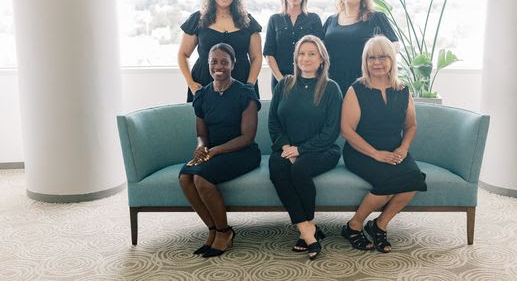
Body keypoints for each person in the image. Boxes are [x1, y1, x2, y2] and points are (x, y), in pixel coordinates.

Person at [340, 36, 427, 253]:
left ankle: (379, 225)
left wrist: (403, 149)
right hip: (361, 152)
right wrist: (376, 154)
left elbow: (411, 126)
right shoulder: (356, 89)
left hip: (395, 150)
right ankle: (353, 226)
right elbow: (346, 131)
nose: (377, 62)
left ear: (391, 60)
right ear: (365, 61)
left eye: (382, 57)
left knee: (414, 180)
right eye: (371, 58)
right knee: (389, 183)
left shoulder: (402, 89)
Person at [178, 43, 261, 258]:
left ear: (233, 64)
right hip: (212, 151)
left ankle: (225, 232)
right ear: (208, 64)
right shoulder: (203, 95)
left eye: (224, 62)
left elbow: (247, 137)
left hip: (243, 152)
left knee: (201, 179)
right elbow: (202, 134)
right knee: (185, 177)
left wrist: (214, 151)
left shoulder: (245, 94)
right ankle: (213, 229)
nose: (219, 66)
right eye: (214, 62)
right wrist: (201, 147)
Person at [268, 35, 342, 260]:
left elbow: (331, 132)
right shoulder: (284, 84)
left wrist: (300, 150)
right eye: (301, 53)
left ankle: (307, 227)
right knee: (278, 169)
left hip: (322, 149)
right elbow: (273, 123)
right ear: (295, 58)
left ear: (322, 59)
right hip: (285, 147)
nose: (305, 58)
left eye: (311, 54)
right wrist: (287, 147)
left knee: (298, 170)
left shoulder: (330, 88)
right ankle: (306, 228)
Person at [177, 0, 262, 102]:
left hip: (242, 85)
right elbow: (182, 54)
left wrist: (250, 84)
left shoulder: (248, 21)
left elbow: (257, 57)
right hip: (204, 84)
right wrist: (191, 84)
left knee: (244, 122)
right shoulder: (197, 19)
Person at [322, 0, 398, 96]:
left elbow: (394, 44)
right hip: (332, 82)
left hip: (365, 81)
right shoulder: (331, 20)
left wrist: (380, 64)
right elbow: (318, 48)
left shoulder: (376, 17)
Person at [264, 0, 323, 93]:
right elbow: (269, 53)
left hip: (309, 80)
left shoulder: (314, 19)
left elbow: (320, 53)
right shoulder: (274, 19)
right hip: (280, 80)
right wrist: (281, 80)